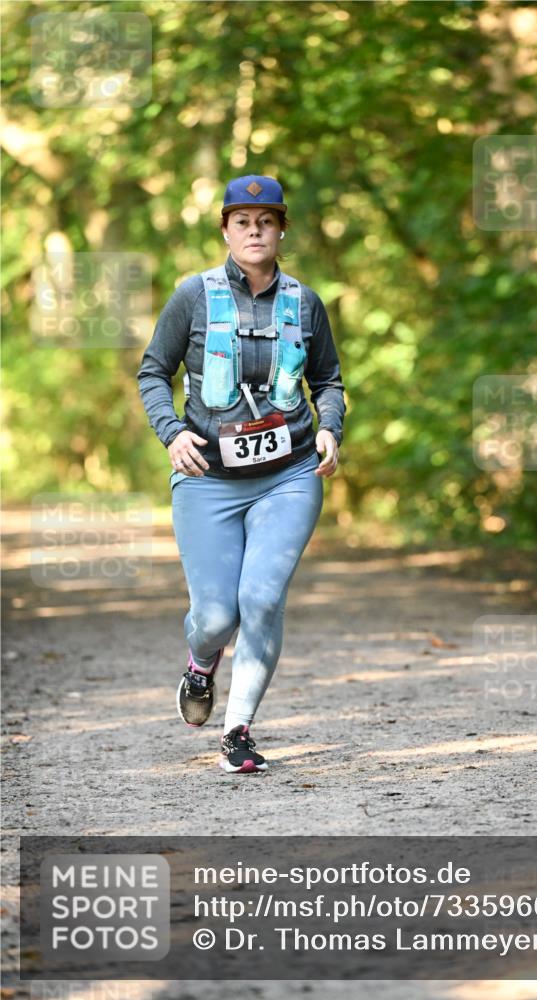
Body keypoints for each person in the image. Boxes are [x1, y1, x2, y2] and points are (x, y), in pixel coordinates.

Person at [137, 174, 346, 774]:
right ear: (226, 230)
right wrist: (172, 433)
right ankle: (201, 664)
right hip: (209, 478)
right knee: (216, 617)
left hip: (290, 472)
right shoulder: (193, 297)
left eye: (267, 222)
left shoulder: (305, 303)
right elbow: (154, 372)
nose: (255, 232)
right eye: (242, 222)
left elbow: (327, 380)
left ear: (281, 230)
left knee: (261, 598)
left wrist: (330, 425)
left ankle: (239, 730)